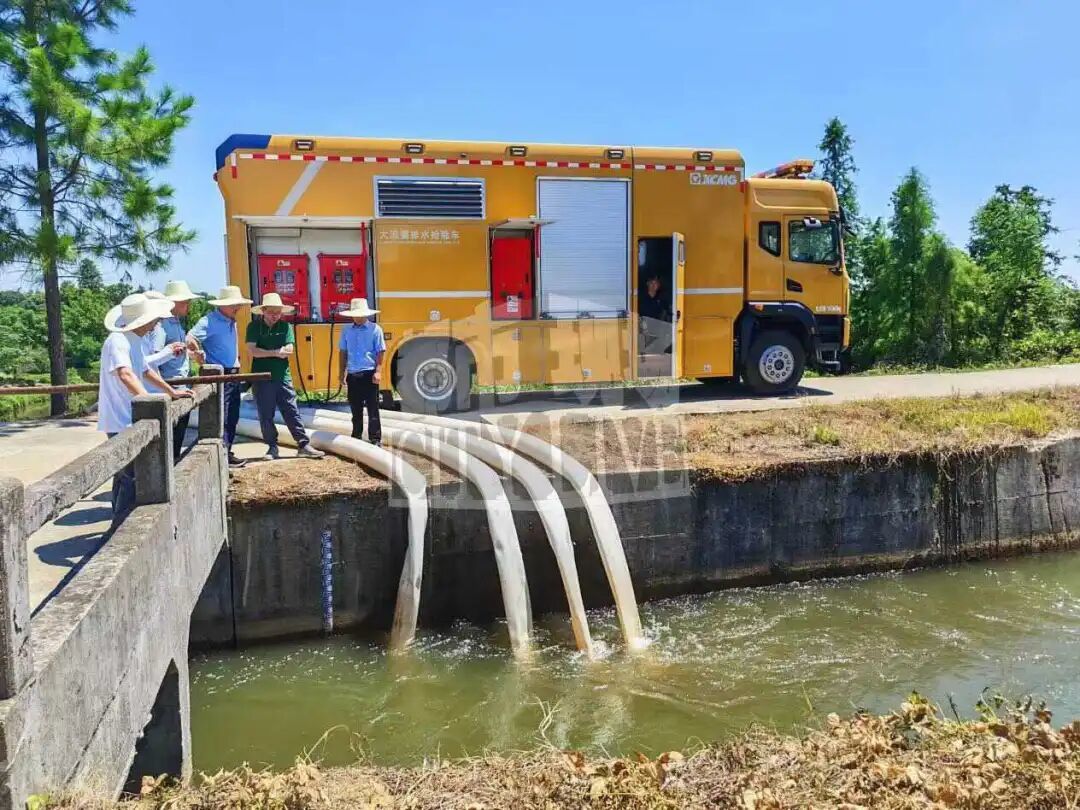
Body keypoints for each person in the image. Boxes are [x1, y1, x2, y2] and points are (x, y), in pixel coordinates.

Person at [98, 293, 194, 528]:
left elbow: (145, 371)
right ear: (143, 321)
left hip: (130, 415)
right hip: (120, 417)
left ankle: (119, 522)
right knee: (129, 476)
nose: (155, 324)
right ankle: (119, 526)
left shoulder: (135, 340)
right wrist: (148, 400)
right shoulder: (118, 340)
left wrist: (171, 392)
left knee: (126, 475)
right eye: (154, 320)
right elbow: (125, 374)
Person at [246, 292, 325, 460]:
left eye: (278, 312)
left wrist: (267, 352)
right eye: (271, 312)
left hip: (283, 376)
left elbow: (289, 349)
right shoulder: (253, 327)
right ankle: (272, 446)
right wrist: (276, 352)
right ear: (263, 311)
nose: (275, 315)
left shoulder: (285, 327)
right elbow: (252, 351)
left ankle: (303, 444)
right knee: (266, 414)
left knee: (291, 410)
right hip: (261, 377)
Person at [187, 285, 252, 468]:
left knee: (232, 415)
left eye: (238, 304)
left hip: (233, 373)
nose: (237, 308)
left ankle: (227, 451)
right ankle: (221, 455)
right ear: (222, 305)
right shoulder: (209, 321)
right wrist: (199, 356)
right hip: (220, 373)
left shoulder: (230, 320)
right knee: (222, 415)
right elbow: (190, 338)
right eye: (233, 305)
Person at [141, 286, 199, 460]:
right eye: (185, 302)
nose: (188, 306)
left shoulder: (176, 323)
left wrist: (189, 354)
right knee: (173, 429)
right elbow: (153, 360)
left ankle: (173, 461)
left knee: (179, 427)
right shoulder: (161, 326)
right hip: (170, 381)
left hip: (176, 381)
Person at [337, 298, 386, 446]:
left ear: (366, 314)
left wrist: (378, 371)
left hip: (369, 373)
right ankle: (356, 435)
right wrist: (342, 372)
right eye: (355, 315)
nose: (357, 318)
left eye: (360, 315)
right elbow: (343, 352)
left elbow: (380, 351)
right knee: (355, 409)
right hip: (353, 374)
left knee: (373, 408)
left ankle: (375, 438)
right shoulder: (346, 330)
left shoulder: (375, 329)